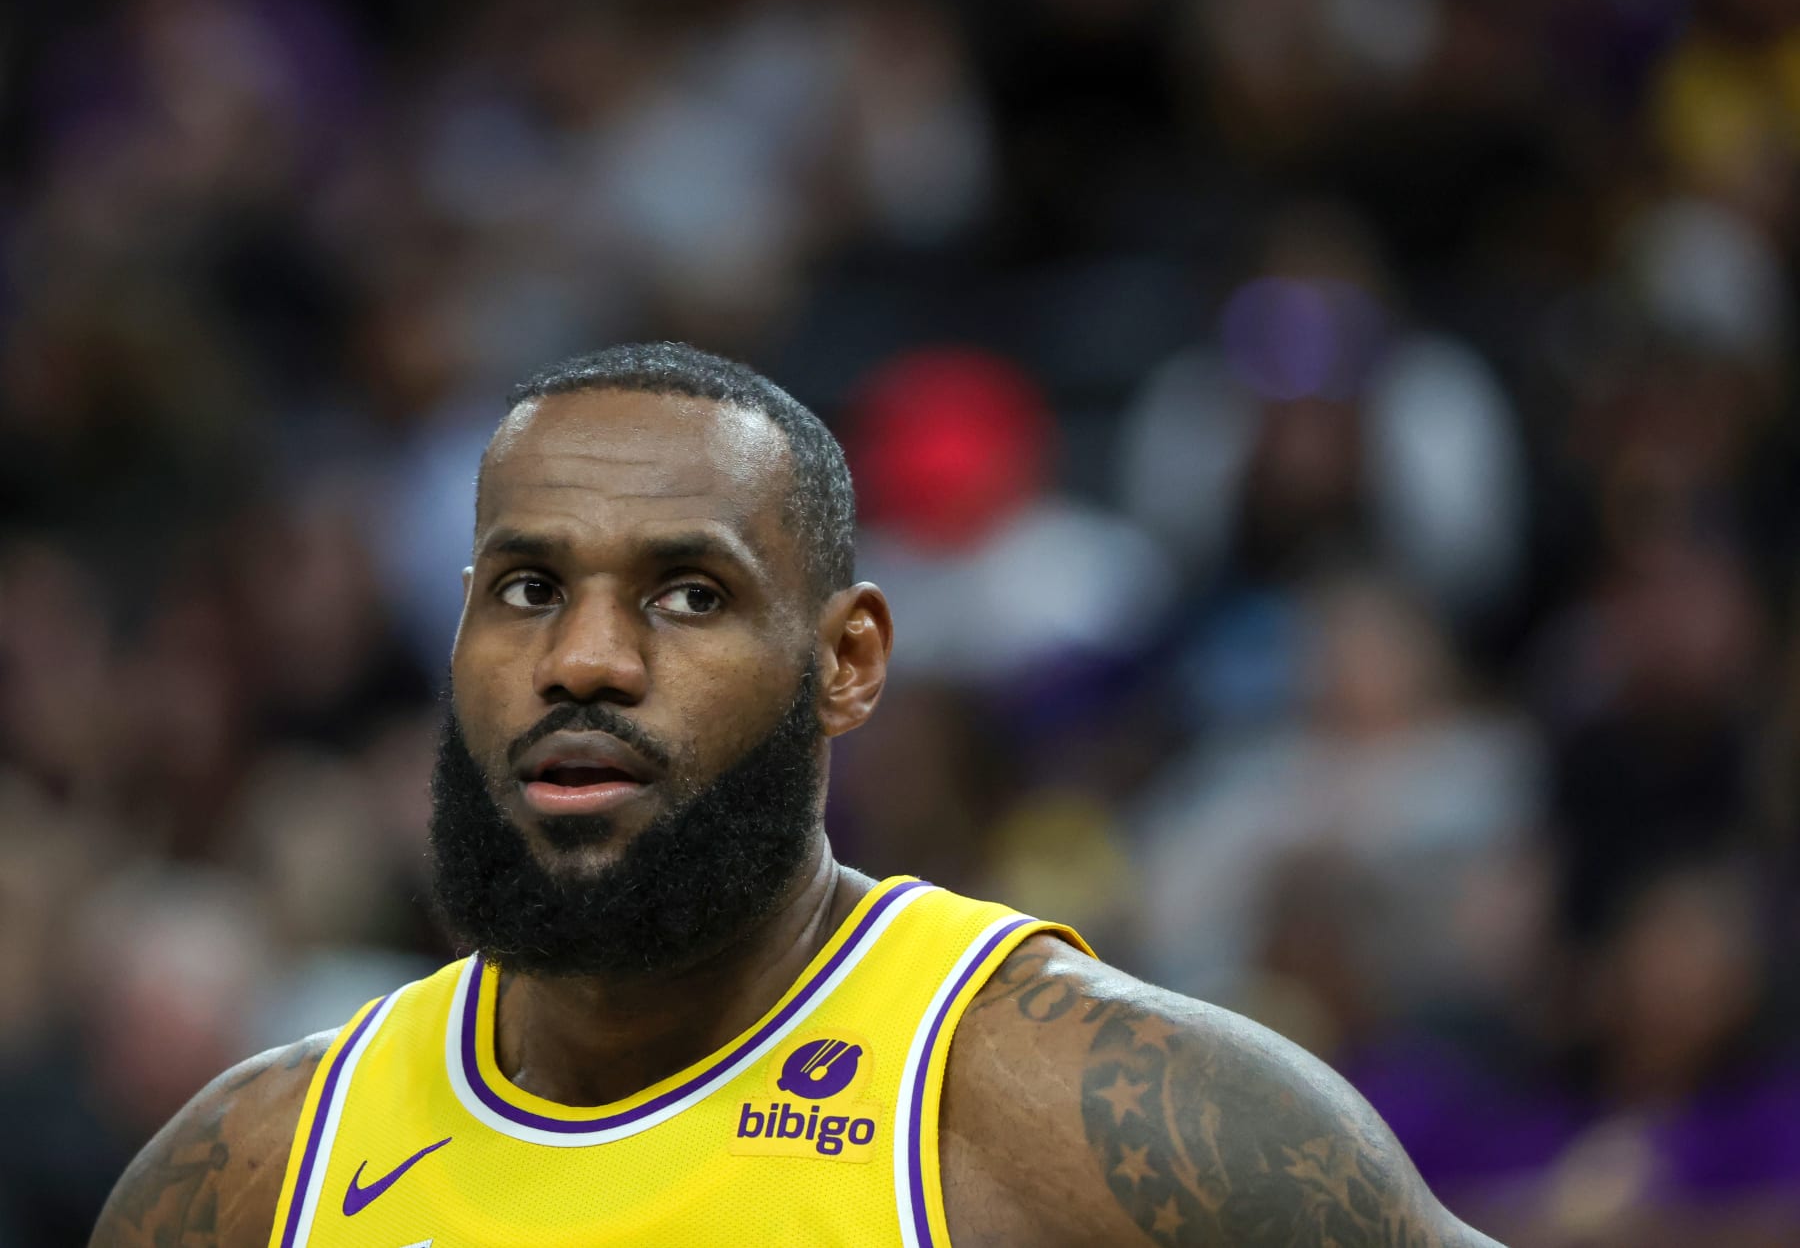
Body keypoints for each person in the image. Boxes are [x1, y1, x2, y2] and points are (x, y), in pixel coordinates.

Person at [89, 343, 1502, 1247]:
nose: (583, 658)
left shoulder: (1102, 1118)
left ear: (847, 661)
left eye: (687, 594)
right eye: (527, 589)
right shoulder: (246, 1174)